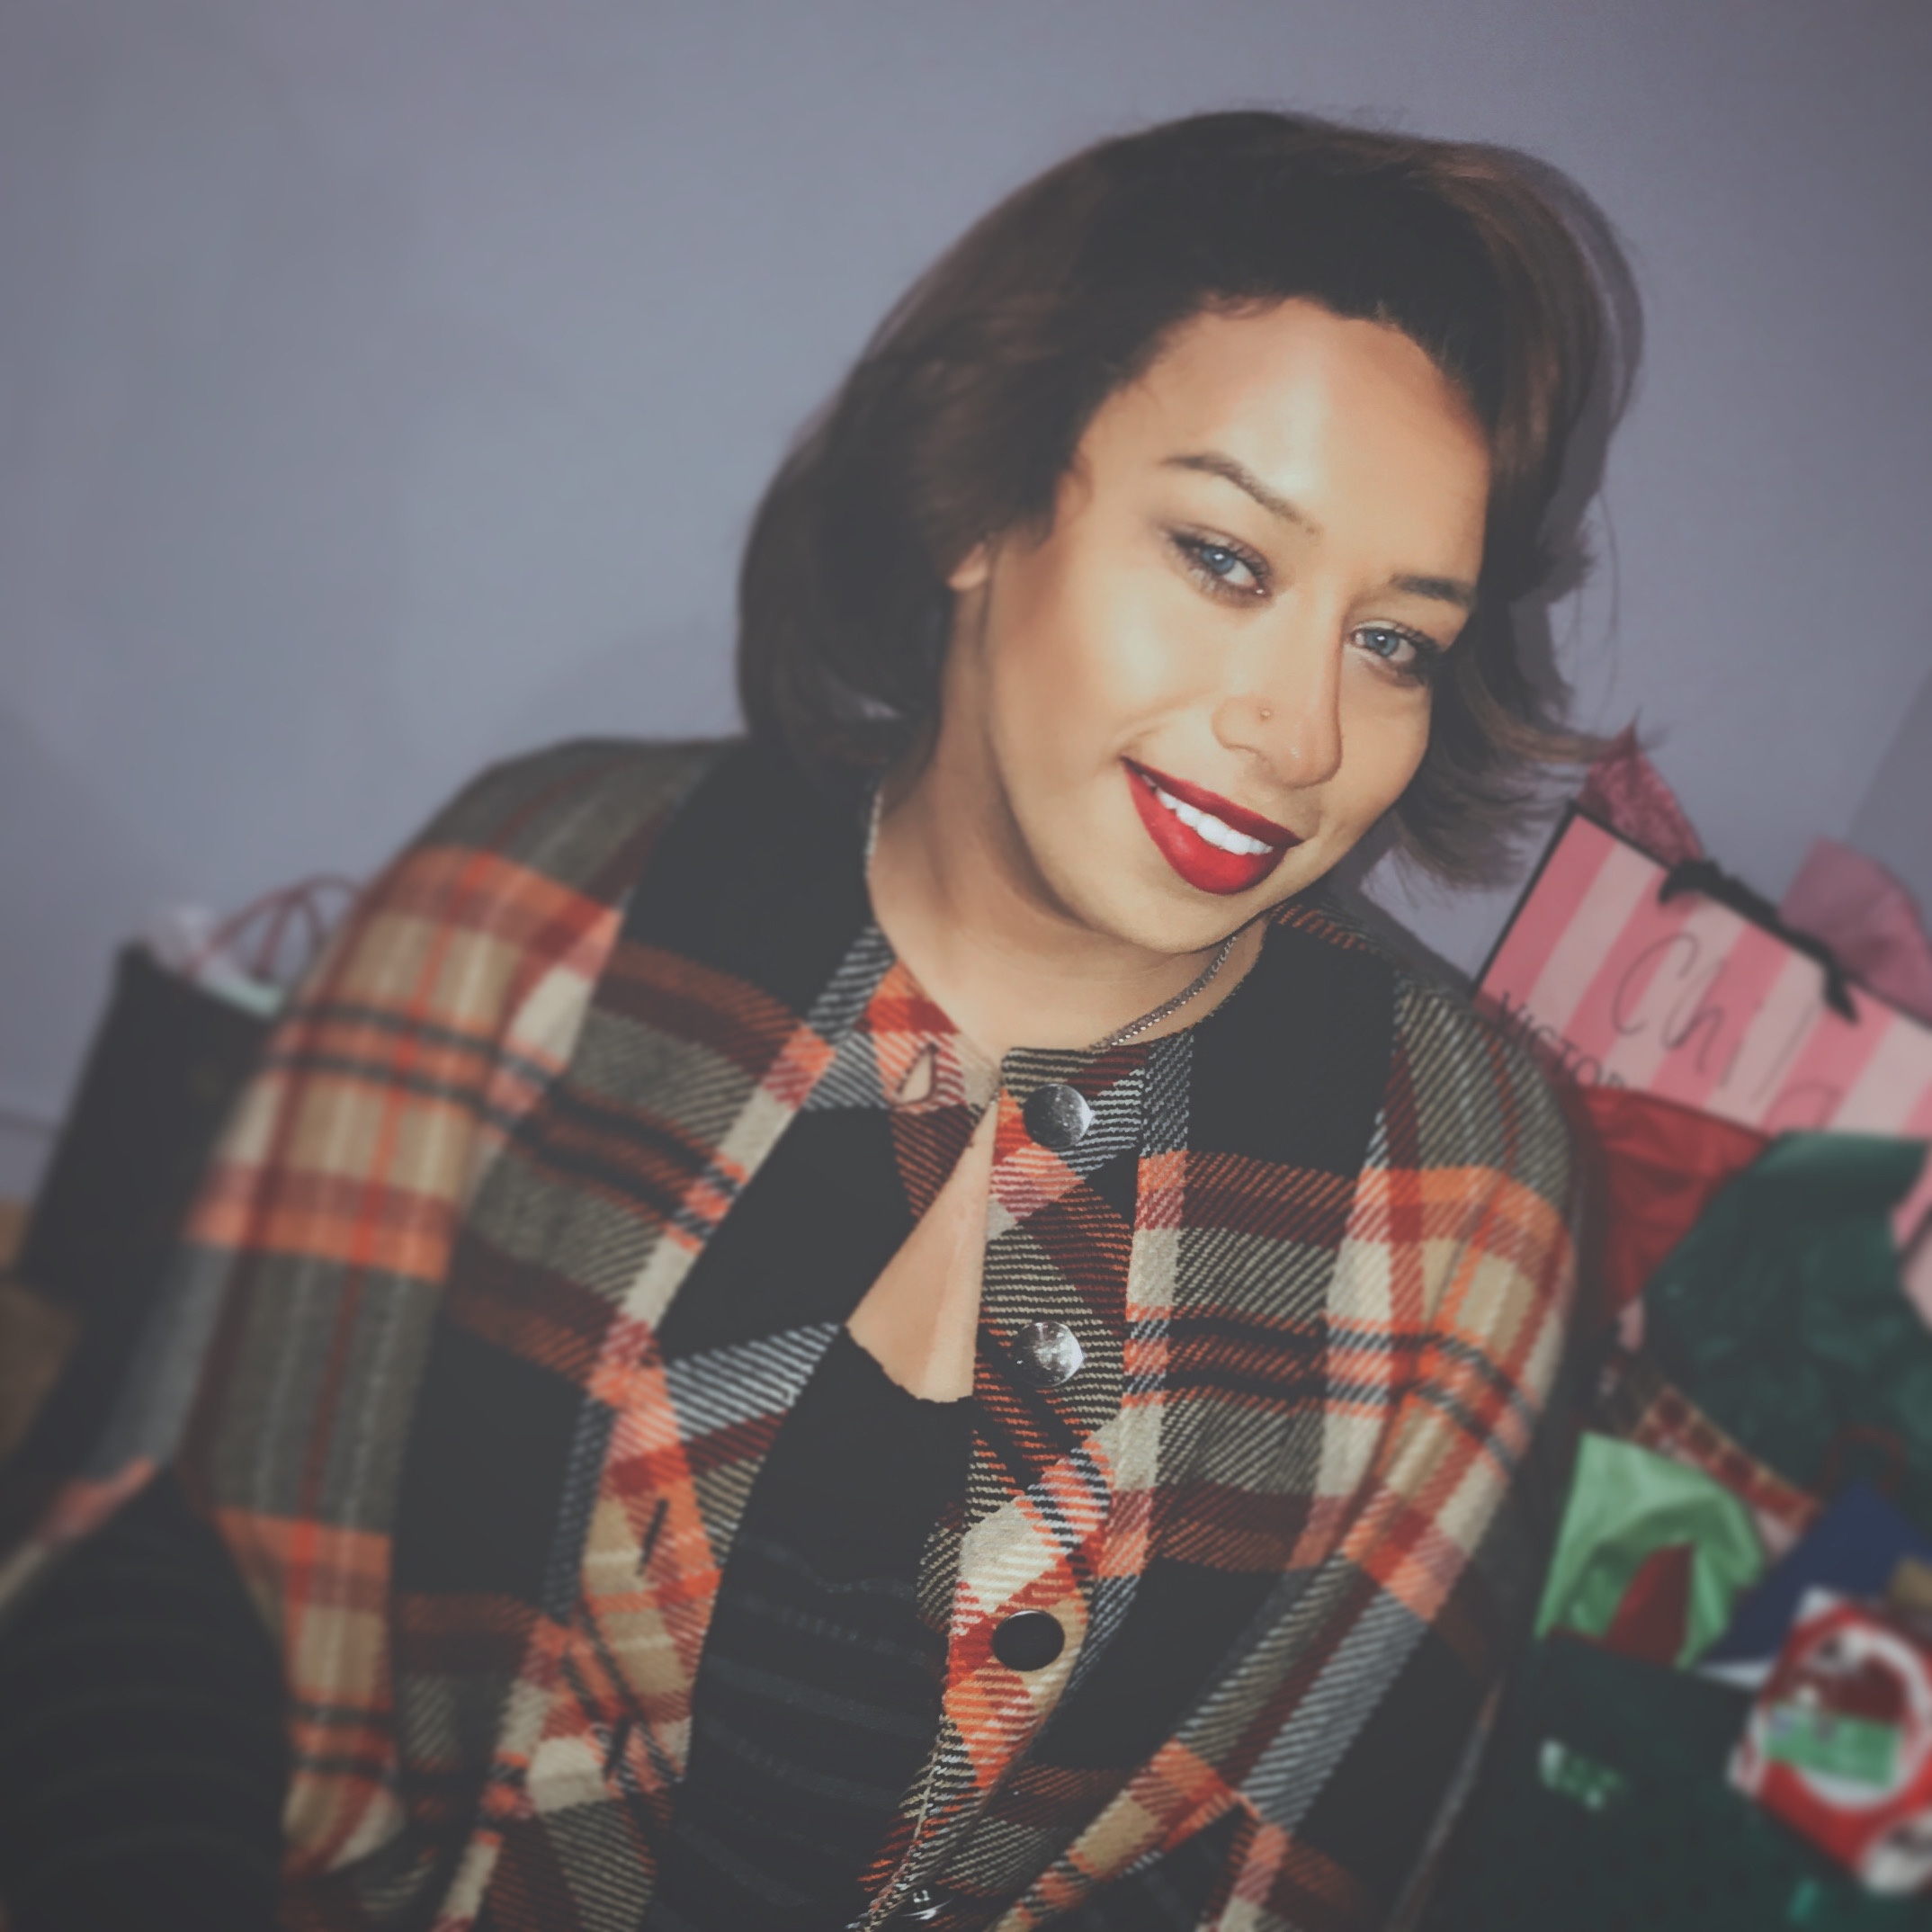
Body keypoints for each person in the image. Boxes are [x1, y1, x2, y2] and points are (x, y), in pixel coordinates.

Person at [0, 109, 1623, 1931]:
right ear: (982, 501)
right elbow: (178, 1580)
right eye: (1225, 560)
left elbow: (1313, 1848)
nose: (1302, 733)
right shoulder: (540, 894)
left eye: (1393, 641)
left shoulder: (1468, 1179)